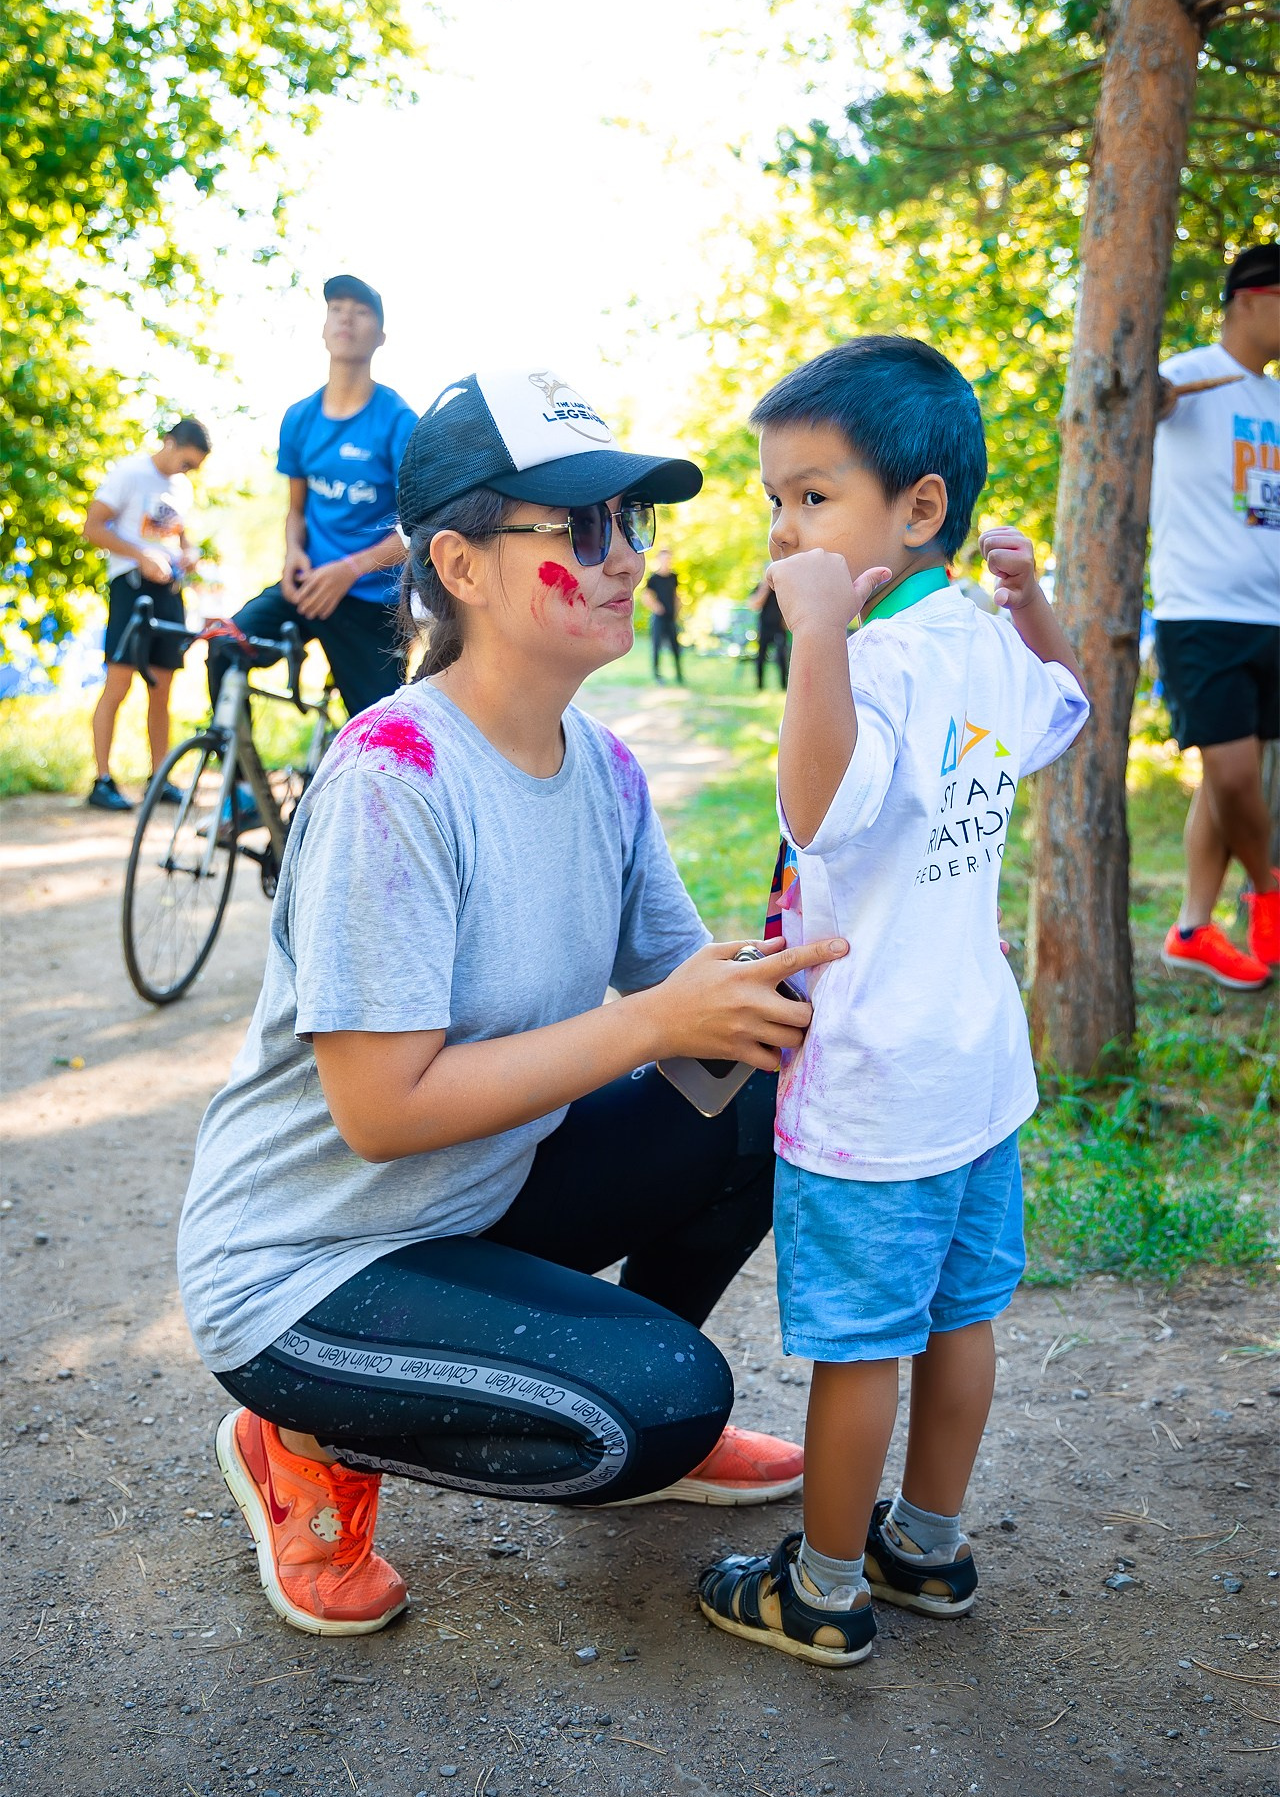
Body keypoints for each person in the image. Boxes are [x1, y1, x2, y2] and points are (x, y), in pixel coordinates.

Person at [178, 364, 841, 1637]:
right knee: (659, 1405)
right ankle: (302, 1436)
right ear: (461, 567)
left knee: (763, 1106)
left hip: (476, 1202)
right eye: (578, 528)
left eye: (631, 525)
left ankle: (570, 1363)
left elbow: (692, 1010)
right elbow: (378, 1111)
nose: (621, 559)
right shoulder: (397, 777)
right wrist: (652, 1025)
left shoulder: (601, 765)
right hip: (308, 1265)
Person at [697, 337, 1089, 1667]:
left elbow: (814, 808)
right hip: (978, 1071)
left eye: (814, 498)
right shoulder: (976, 639)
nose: (783, 529)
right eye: (775, 502)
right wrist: (1030, 599)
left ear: (917, 508)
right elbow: (1069, 701)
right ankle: (925, 1546)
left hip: (874, 1085)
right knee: (962, 1320)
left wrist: (816, 632)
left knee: (864, 1349)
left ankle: (820, 1586)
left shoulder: (868, 661)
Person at [1153, 241, 1280, 991]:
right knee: (1233, 779)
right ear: (1254, 299)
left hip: (1272, 618)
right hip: (1201, 613)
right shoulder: (1186, 374)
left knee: (1228, 780)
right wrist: (1156, 393)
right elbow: (1143, 401)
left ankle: (1194, 928)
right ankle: (1268, 892)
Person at [206, 275, 416, 723]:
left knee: (385, 729)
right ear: (323, 328)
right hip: (306, 589)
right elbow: (296, 511)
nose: (345, 316)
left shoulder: (398, 421)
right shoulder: (299, 418)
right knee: (224, 647)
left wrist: (350, 569)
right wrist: (293, 555)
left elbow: (419, 528)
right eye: (336, 307)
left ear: (380, 336)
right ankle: (239, 788)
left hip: (370, 601)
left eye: (360, 310)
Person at [83, 418, 211, 810]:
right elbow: (91, 527)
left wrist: (189, 554)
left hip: (169, 593)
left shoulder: (182, 487)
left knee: (162, 689)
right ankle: (102, 780)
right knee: (118, 684)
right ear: (170, 444)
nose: (187, 471)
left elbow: (178, 534)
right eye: (187, 462)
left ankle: (159, 777)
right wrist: (141, 557)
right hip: (132, 590)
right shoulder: (131, 472)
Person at [643, 545, 683, 682]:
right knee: (657, 646)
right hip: (659, 618)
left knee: (675, 647)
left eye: (669, 558)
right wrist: (657, 607)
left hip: (671, 617)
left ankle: (679, 675)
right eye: (664, 558)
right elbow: (646, 597)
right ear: (659, 559)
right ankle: (657, 675)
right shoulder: (653, 578)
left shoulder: (673, 577)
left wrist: (678, 610)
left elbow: (676, 595)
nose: (667, 561)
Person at [749, 578, 789, 689]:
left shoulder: (782, 587)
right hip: (765, 627)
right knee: (761, 656)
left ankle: (783, 685)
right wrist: (764, 588)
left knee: (782, 655)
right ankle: (760, 685)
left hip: (779, 628)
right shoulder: (761, 586)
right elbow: (754, 604)